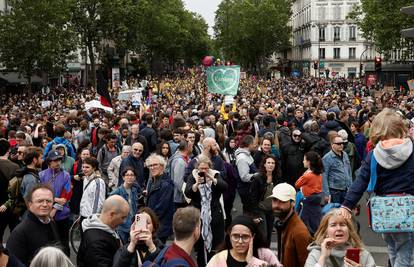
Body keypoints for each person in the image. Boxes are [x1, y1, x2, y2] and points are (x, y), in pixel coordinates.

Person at [340, 108, 414, 266]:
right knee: (406, 249)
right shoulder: (412, 151)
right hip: (408, 209)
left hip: (383, 211)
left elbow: (360, 181)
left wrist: (347, 204)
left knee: (392, 247)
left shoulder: (374, 154)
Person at [185, 155, 228, 267]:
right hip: (198, 215)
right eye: (201, 169)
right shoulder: (193, 176)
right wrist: (197, 184)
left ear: (209, 167)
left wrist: (212, 178)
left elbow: (224, 187)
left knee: (216, 245)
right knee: (200, 246)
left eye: (206, 168)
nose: (203, 171)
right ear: (197, 168)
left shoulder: (215, 174)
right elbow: (188, 192)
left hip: (214, 214)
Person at [6, 185, 62, 266]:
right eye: (40, 201)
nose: (45, 204)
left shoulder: (51, 223)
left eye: (49, 201)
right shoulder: (19, 233)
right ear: (30, 205)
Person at [305, 209, 375, 267]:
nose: (339, 228)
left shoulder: (362, 254)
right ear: (325, 232)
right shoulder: (316, 254)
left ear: (349, 230)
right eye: (333, 225)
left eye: (342, 224)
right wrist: (323, 257)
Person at [207, 215, 282, 267]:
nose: (240, 241)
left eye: (245, 237)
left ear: (253, 236)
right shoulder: (218, 259)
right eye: (235, 236)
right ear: (229, 236)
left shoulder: (265, 255)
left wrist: (252, 262)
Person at [77, 195, 130, 267]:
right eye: (122, 217)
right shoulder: (96, 242)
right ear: (112, 214)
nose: (124, 222)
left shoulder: (108, 229)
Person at [270, 183, 312, 267]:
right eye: (274, 200)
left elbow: (306, 264)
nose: (276, 205)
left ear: (293, 203)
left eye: (282, 201)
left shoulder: (299, 232)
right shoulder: (283, 223)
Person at [39, 149, 72, 256]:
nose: (58, 162)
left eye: (59, 160)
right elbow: (40, 195)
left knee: (64, 244)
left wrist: (54, 209)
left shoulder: (66, 175)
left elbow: (65, 197)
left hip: (62, 216)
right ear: (49, 162)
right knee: (48, 244)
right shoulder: (42, 175)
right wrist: (54, 199)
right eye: (55, 160)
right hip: (45, 215)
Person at [247, 154, 280, 246]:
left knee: (269, 233)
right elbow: (252, 198)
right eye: (268, 162)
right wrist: (254, 215)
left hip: (271, 209)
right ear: (264, 164)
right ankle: (259, 255)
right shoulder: (258, 178)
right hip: (260, 209)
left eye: (273, 163)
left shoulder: (277, 178)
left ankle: (267, 254)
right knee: (263, 234)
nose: (270, 165)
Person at [145, 154, 174, 243]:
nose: (152, 168)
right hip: (152, 223)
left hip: (159, 226)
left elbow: (162, 208)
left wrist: (149, 220)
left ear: (162, 166)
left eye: (155, 165)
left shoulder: (166, 184)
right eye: (150, 166)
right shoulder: (151, 181)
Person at [295, 151, 323, 236]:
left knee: (303, 225)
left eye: (304, 160)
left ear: (309, 162)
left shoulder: (308, 175)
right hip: (316, 202)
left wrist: (305, 174)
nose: (303, 161)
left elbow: (297, 184)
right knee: (315, 224)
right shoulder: (319, 174)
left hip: (307, 201)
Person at [110, 168, 141, 244]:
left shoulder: (134, 190)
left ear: (135, 177)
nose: (129, 177)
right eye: (127, 175)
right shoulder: (117, 192)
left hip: (133, 225)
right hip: (122, 227)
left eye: (132, 175)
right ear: (123, 177)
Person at [0, 138, 21, 243]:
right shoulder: (14, 166)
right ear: (8, 150)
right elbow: (16, 189)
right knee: (15, 236)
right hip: (11, 206)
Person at [322, 134, 352, 204]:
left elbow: (349, 171)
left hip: (346, 189)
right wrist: (326, 194)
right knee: (336, 212)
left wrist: (351, 187)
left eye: (342, 143)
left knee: (345, 211)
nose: (341, 145)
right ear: (332, 144)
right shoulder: (327, 158)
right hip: (335, 191)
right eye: (338, 144)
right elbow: (324, 176)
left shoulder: (345, 154)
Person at [234, 135, 257, 212]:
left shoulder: (247, 154)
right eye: (254, 143)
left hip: (249, 188)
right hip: (246, 190)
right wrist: (257, 175)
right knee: (248, 211)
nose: (255, 145)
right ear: (249, 144)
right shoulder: (242, 158)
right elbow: (244, 177)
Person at [168, 140, 190, 210]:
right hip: (179, 198)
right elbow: (178, 181)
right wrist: (186, 193)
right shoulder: (179, 161)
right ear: (187, 147)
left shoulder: (182, 158)